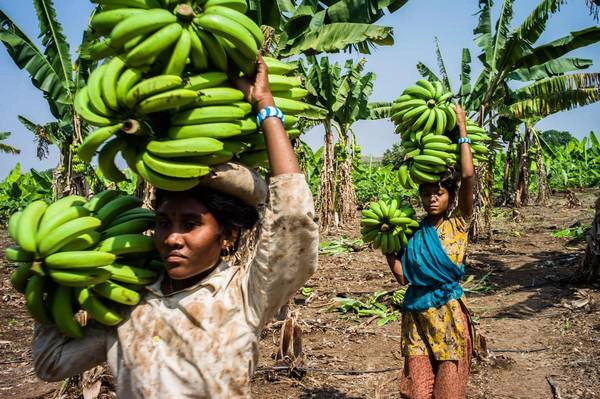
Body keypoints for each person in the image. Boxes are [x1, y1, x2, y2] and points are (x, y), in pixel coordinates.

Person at [31, 55, 319, 398]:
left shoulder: (243, 296)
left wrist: (266, 108)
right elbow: (51, 364)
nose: (172, 238)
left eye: (190, 224)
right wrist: (54, 278)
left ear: (227, 236)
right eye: (164, 223)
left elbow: (292, 218)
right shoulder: (129, 302)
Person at [386, 105, 476, 399]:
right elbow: (402, 278)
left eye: (439, 192)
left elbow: (468, 175)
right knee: (417, 391)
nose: (432, 198)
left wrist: (461, 128)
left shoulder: (459, 222)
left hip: (448, 314)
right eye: (426, 193)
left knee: (448, 391)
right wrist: (387, 247)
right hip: (416, 317)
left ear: (449, 195)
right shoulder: (412, 231)